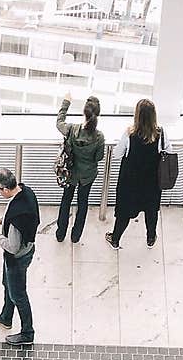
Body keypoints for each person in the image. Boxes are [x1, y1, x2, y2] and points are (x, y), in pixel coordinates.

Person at [0, 168, 40, 346]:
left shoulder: (17, 218)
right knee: (7, 284)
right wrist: (0, 220)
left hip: (17, 258)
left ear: (5, 189)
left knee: (19, 295)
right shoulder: (25, 192)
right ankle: (6, 317)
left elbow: (12, 247)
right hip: (24, 251)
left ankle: (27, 333)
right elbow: (13, 215)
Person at [106, 98, 170, 250]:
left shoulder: (130, 134)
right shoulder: (160, 134)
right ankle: (150, 238)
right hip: (152, 182)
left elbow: (117, 154)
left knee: (124, 213)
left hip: (130, 182)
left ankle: (115, 239)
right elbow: (169, 151)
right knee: (151, 211)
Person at [55, 91, 105, 244]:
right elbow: (99, 157)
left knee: (66, 200)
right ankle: (76, 236)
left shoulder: (71, 130)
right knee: (83, 202)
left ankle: (60, 233)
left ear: (84, 112)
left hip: (70, 172)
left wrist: (66, 103)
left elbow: (59, 122)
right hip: (87, 176)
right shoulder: (99, 137)